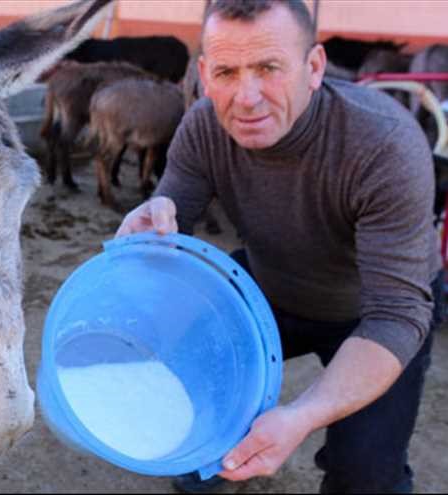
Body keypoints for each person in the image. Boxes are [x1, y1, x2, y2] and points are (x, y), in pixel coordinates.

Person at [115, 0, 442, 493]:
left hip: (372, 314)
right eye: (226, 71)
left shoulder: (384, 145)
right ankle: (201, 460)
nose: (245, 98)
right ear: (204, 73)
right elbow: (170, 208)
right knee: (189, 387)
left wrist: (303, 413)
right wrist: (147, 225)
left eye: (268, 68)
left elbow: (396, 314)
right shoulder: (204, 125)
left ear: (313, 67)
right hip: (264, 286)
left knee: (365, 475)